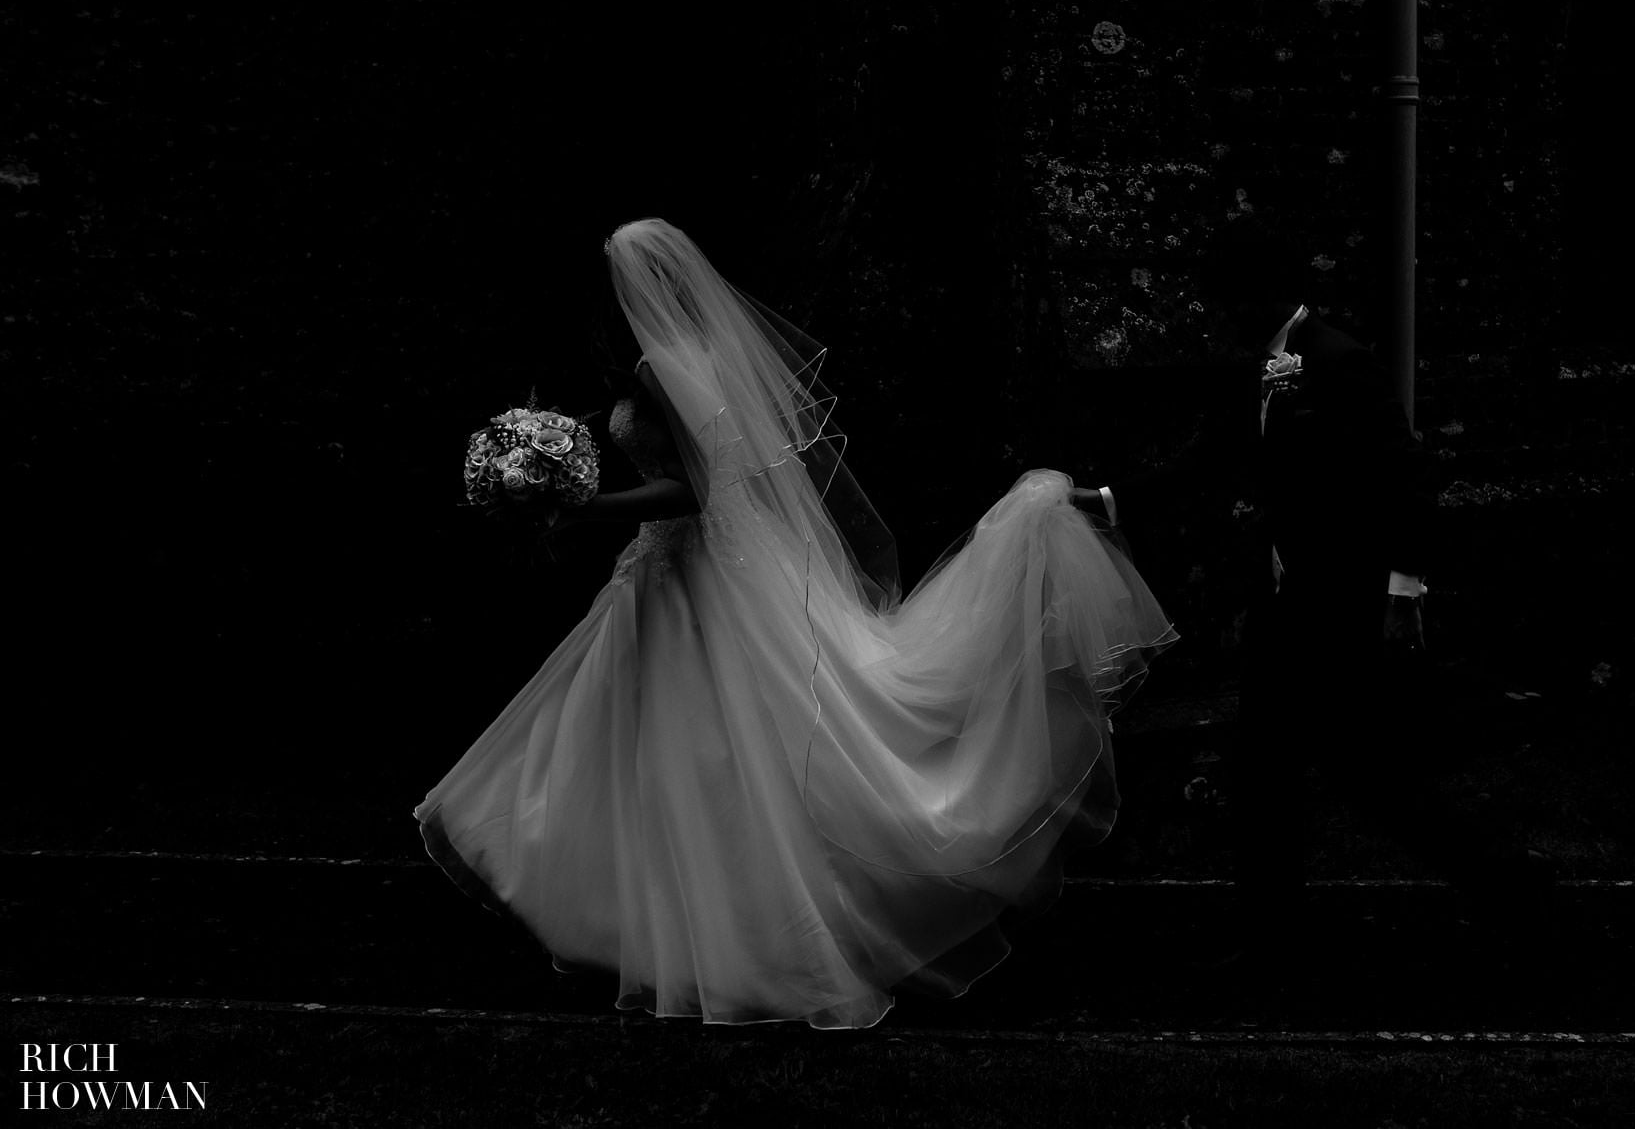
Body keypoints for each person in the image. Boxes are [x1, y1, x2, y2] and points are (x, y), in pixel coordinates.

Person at [417, 219, 1176, 1029]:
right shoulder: (706, 358)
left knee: (701, 749)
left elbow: (697, 491)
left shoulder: (659, 366)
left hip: (692, 572)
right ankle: (664, 919)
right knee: (663, 746)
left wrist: (581, 506)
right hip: (700, 572)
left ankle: (715, 929)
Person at [1071, 220, 1546, 948]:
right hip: (1286, 609)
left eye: (1227, 299)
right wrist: (1108, 499)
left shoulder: (1338, 362)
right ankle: (1272, 927)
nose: (1219, 314)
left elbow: (1408, 477)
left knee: (1370, 777)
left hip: (1340, 606)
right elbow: (1211, 458)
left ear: (1263, 294)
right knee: (1266, 766)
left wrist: (1404, 589)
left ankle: (1508, 889)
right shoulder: (1263, 368)